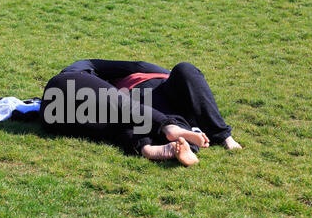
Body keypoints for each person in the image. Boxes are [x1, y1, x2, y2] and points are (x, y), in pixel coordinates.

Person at [40, 59, 242, 166]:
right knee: (124, 111)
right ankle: (161, 144)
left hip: (161, 99)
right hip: (157, 111)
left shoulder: (144, 71)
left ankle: (219, 135)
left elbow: (90, 65)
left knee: (184, 69)